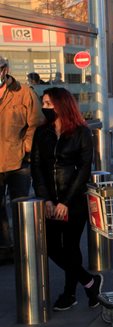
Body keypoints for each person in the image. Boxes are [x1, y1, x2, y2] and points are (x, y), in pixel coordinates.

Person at [30, 87, 102, 310]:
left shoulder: (81, 132)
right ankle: (90, 281)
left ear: (62, 104)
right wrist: (48, 200)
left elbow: (83, 170)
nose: (45, 107)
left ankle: (69, 293)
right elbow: (37, 167)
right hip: (50, 200)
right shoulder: (42, 133)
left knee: (70, 247)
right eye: (44, 103)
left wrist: (66, 202)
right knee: (51, 247)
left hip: (74, 201)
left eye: (49, 103)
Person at [0, 56, 45, 265]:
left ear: (5, 70)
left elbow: (36, 123)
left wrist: (26, 149)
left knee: (21, 206)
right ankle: (4, 248)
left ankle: (23, 249)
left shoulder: (23, 92)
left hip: (18, 162)